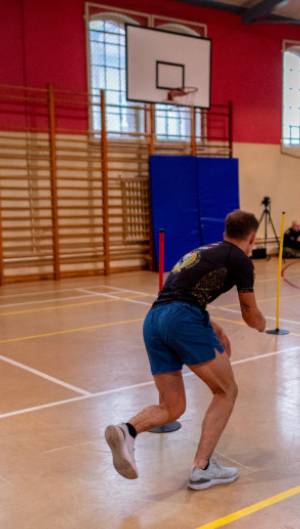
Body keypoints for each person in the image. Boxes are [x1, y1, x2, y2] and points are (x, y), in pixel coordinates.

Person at [105, 209, 267, 490]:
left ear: (225, 230)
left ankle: (127, 430)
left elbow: (179, 296)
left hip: (154, 320)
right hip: (182, 319)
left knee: (173, 406)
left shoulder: (204, 250)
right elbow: (249, 313)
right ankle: (202, 468)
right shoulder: (239, 258)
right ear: (251, 236)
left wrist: (211, 325)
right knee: (226, 390)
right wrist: (262, 323)